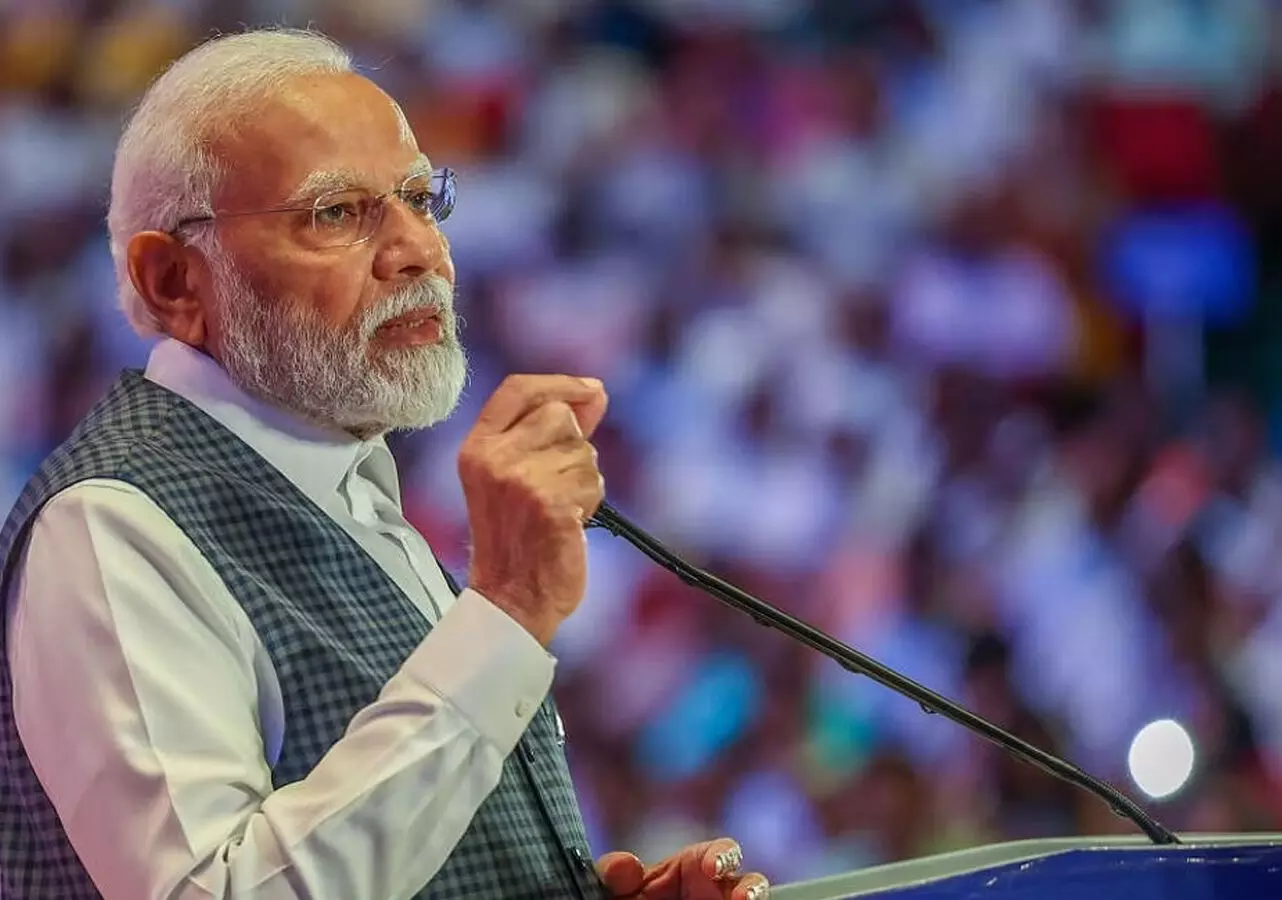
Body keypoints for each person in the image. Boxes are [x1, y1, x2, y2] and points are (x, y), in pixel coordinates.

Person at [0, 28, 768, 900]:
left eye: (419, 199)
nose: (420, 252)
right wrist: (508, 607)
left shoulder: (343, 477)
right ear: (176, 280)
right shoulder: (113, 524)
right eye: (336, 212)